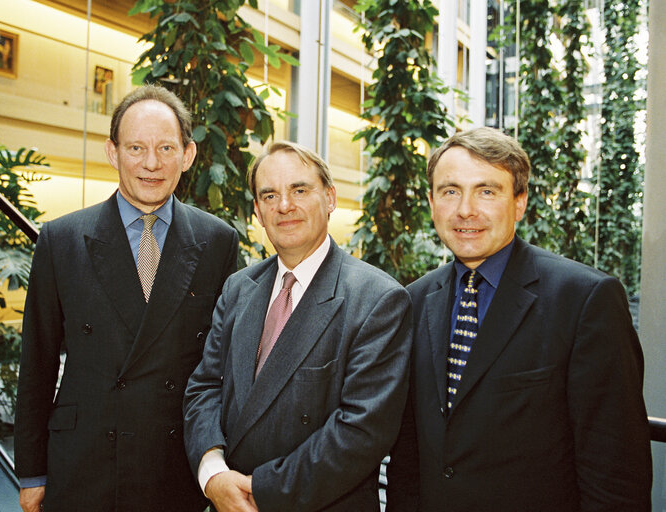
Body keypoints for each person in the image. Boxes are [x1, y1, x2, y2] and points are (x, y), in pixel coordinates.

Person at [386, 127, 652, 511]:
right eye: (450, 191)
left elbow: (615, 473)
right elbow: (408, 456)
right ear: (431, 202)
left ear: (520, 202)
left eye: (487, 191)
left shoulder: (585, 300)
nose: (465, 210)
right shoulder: (414, 300)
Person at [14, 85, 239, 512]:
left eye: (166, 148)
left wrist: (218, 462)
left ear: (188, 155)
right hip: (84, 463)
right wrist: (32, 472)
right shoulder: (61, 240)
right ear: (112, 152)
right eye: (136, 147)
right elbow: (37, 363)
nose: (151, 163)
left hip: (173, 466)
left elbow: (224, 370)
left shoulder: (217, 241)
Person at [183, 141, 413, 511]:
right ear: (257, 211)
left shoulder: (378, 299)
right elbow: (205, 386)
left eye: (299, 190)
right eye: (269, 195)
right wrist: (213, 474)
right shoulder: (238, 288)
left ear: (330, 197)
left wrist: (258, 492)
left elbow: (361, 431)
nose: (284, 206)